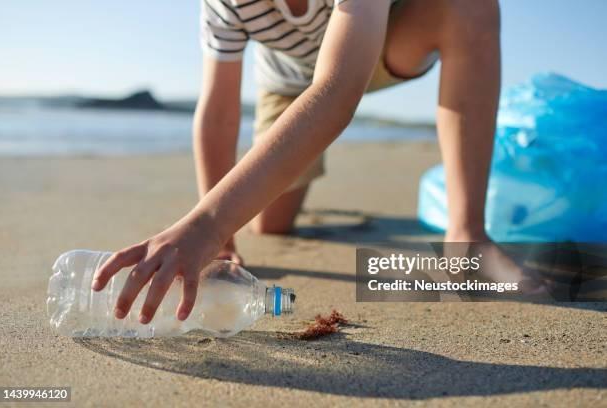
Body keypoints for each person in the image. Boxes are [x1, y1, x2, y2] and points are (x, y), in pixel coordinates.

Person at [92, 0, 508, 324]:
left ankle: (466, 232)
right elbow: (218, 110)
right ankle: (295, 165)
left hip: (382, 42)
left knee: (470, 5)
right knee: (268, 222)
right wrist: (222, 236)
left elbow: (338, 89)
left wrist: (207, 222)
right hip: (289, 79)